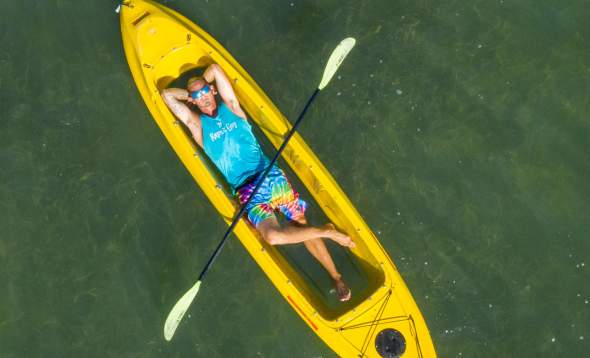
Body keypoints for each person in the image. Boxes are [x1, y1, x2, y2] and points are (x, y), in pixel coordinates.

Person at [161, 63, 354, 301]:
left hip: (270, 175)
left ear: (213, 91)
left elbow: (215, 68)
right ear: (194, 102)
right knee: (272, 237)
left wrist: (204, 84)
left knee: (300, 225)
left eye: (205, 93)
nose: (203, 100)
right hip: (247, 191)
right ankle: (327, 232)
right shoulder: (197, 126)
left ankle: (335, 275)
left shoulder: (232, 107)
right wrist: (190, 95)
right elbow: (166, 95)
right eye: (197, 98)